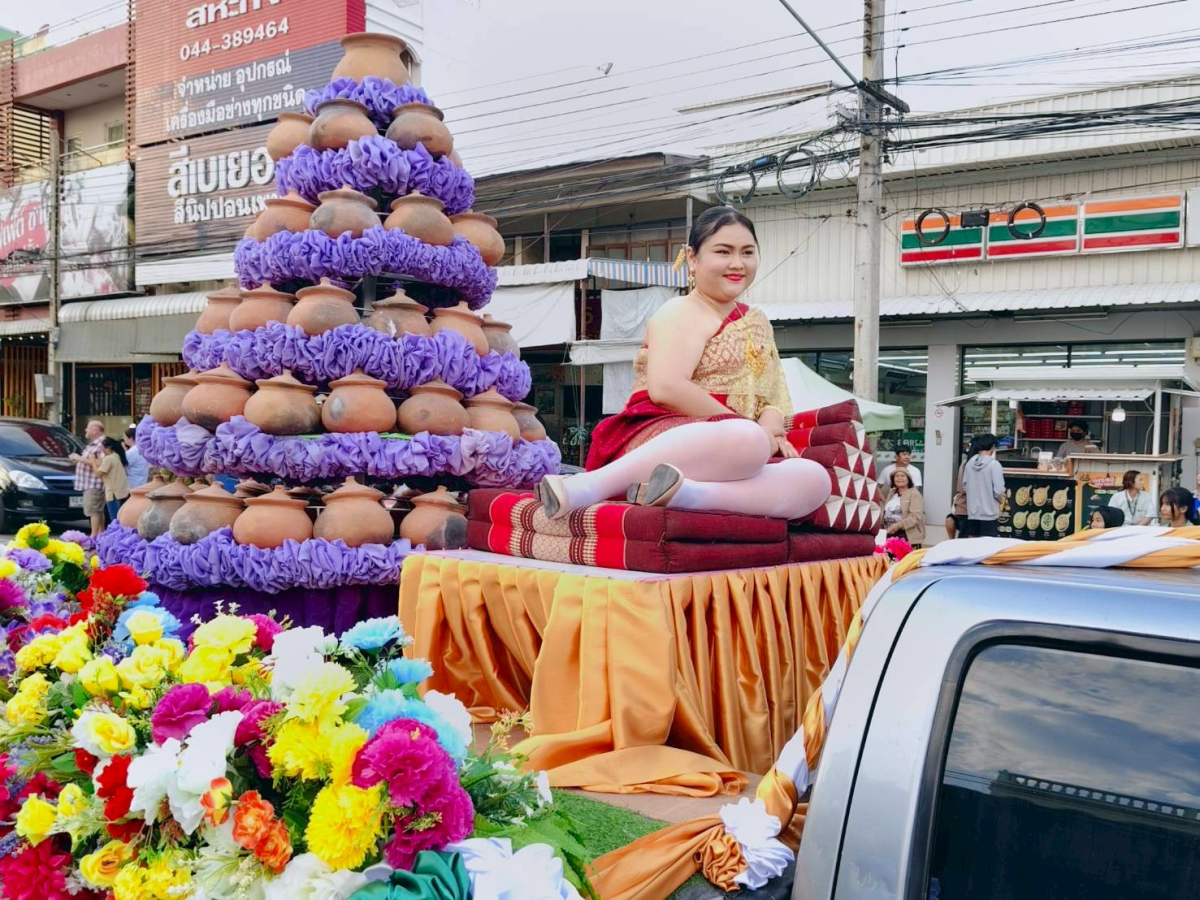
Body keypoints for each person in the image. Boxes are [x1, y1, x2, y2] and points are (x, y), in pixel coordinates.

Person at [535, 206, 830, 522]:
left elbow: (773, 395)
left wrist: (772, 429)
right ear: (692, 258)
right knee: (748, 440)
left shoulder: (755, 321)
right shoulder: (680, 311)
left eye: (747, 252)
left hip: (734, 452)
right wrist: (746, 428)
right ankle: (588, 486)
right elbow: (667, 387)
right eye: (723, 252)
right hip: (667, 436)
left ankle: (686, 494)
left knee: (815, 479)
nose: (737, 263)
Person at [69, 419, 107, 538]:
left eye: (88, 428)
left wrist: (79, 458)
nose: (86, 430)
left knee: (93, 510)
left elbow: (100, 463)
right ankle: (100, 533)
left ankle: (94, 535)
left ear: (95, 431)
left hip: (94, 483)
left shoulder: (101, 445)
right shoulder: (93, 444)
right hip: (88, 483)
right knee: (96, 510)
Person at [963, 432, 1005, 537]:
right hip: (989, 514)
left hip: (972, 513)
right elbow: (999, 490)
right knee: (988, 547)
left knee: (973, 546)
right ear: (993, 447)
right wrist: (1000, 500)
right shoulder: (994, 465)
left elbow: (965, 486)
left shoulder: (969, 464)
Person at [85, 437, 130, 525]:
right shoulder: (117, 457)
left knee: (115, 520)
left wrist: (93, 460)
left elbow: (98, 473)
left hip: (114, 494)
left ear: (109, 447)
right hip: (122, 492)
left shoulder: (109, 459)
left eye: (103, 449)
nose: (103, 452)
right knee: (120, 518)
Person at [946, 435, 984, 540]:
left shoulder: (965, 462)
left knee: (964, 537)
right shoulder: (976, 464)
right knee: (970, 539)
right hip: (970, 507)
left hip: (962, 507)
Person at [884, 468, 925, 547]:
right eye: (897, 476)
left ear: (908, 479)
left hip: (907, 534)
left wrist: (898, 526)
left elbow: (915, 517)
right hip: (889, 532)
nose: (899, 478)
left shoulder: (914, 494)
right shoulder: (892, 493)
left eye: (903, 476)